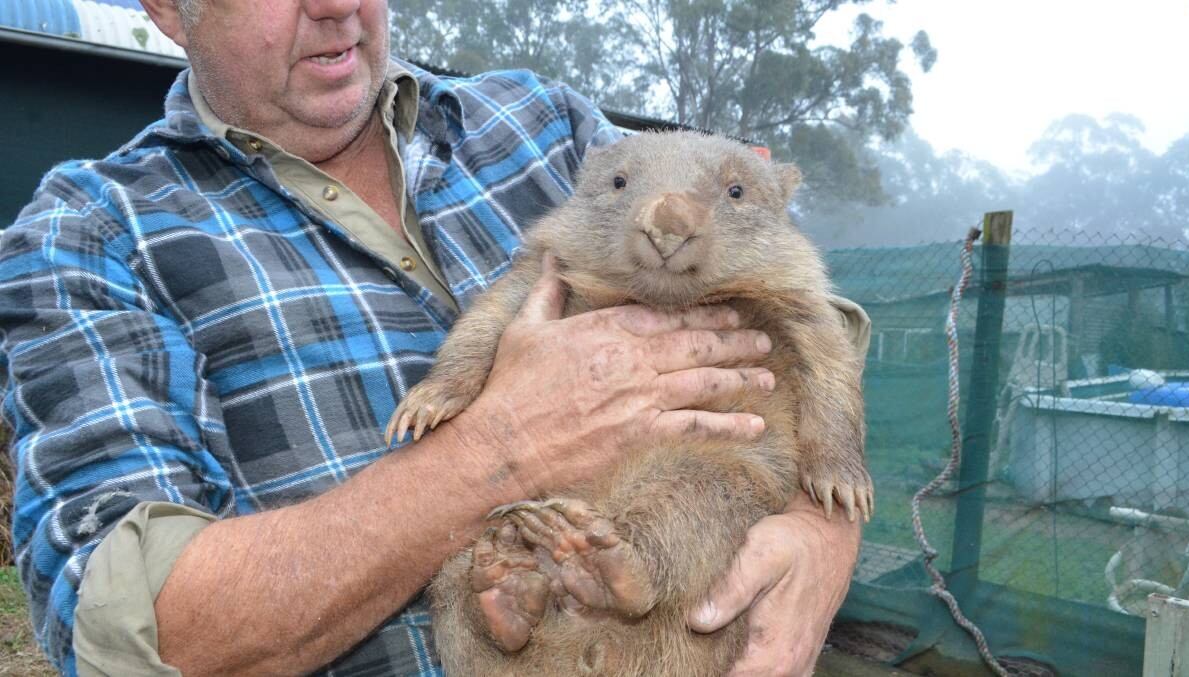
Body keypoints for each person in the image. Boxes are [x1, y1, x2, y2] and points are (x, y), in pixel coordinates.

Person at [0, 0, 869, 674]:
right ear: (166, 6)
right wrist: (503, 447)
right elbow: (124, 623)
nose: (338, 7)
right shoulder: (90, 232)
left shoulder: (541, 123)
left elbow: (784, 293)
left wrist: (822, 535)